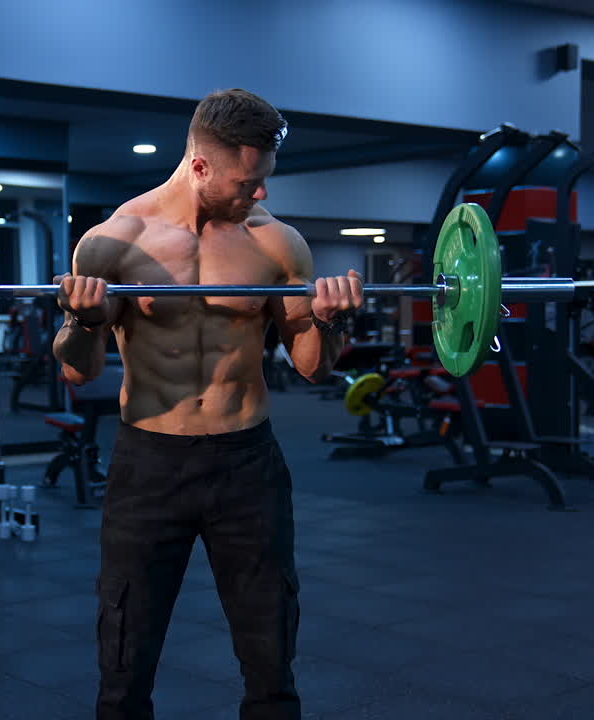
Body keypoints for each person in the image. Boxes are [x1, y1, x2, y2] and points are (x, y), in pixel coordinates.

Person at [52, 88, 363, 720]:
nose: (262, 195)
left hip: (247, 461)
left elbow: (310, 368)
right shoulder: (113, 243)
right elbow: (74, 371)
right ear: (200, 166)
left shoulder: (279, 245)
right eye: (249, 182)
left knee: (271, 652)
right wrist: (83, 323)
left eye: (265, 181)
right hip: (149, 464)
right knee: (125, 654)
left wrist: (330, 324)